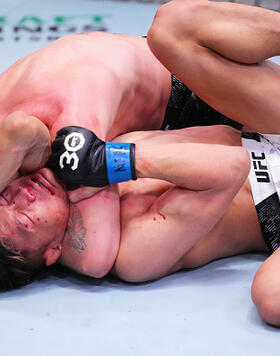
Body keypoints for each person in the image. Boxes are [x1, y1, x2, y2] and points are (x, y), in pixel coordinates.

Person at [47, 0, 280, 328]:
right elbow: (230, 167)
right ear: (47, 253)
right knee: (272, 299)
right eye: (20, 220)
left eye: (4, 199)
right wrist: (112, 162)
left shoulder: (52, 167)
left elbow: (18, 132)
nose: (19, 198)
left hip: (266, 133)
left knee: (172, 27)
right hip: (271, 202)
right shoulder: (124, 253)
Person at [0, 26, 240, 285]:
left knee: (178, 20)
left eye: (4, 196)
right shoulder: (31, 141)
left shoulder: (75, 134)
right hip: (163, 67)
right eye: (24, 217)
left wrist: (49, 236)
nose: (23, 193)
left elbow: (94, 258)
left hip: (192, 85)